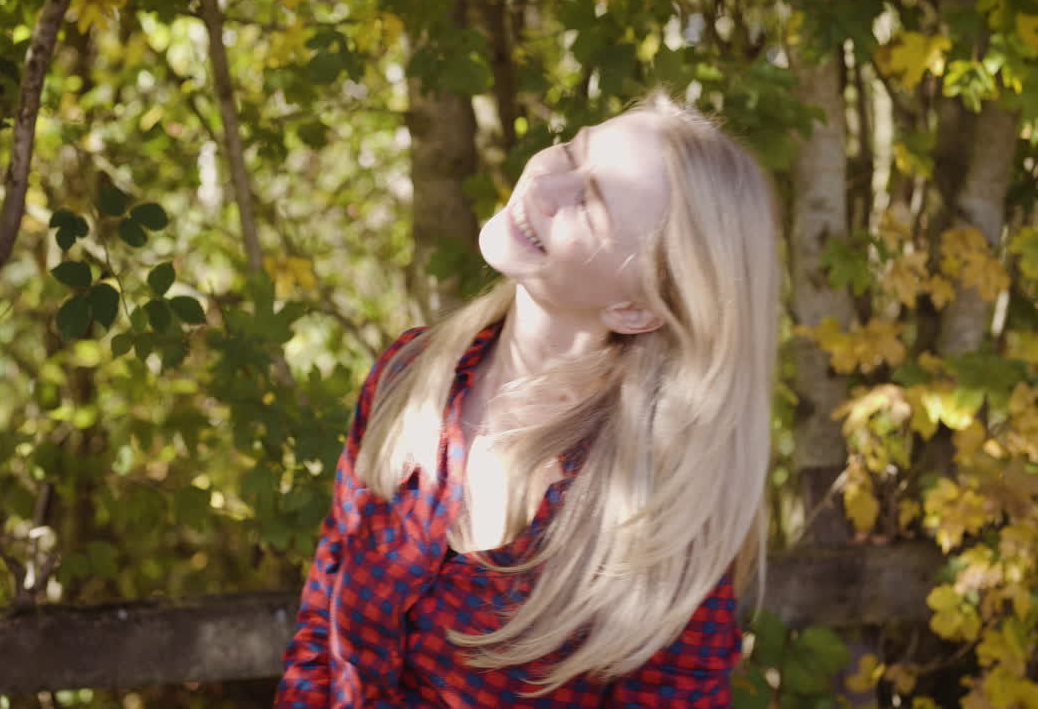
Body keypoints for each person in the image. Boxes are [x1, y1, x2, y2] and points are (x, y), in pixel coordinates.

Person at [273, 88, 780, 708]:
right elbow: (321, 629)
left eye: (589, 204)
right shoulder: (410, 373)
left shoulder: (661, 516)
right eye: (572, 149)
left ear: (636, 308)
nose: (544, 183)